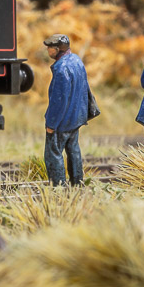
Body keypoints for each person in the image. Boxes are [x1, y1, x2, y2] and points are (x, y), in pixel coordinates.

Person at [42, 33, 93, 186]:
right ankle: (77, 183)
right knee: (73, 150)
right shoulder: (76, 60)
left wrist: (51, 124)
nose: (48, 50)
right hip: (76, 118)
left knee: (53, 153)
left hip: (62, 121)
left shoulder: (61, 68)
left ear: (57, 49)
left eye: (50, 47)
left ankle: (58, 186)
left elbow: (59, 101)